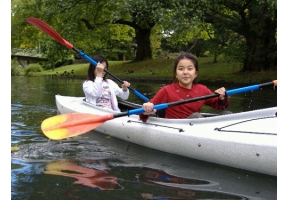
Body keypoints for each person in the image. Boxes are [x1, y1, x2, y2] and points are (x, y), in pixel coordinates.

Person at [140, 53, 230, 121]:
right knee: (196, 116)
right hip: (176, 129)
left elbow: (221, 106)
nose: (185, 72)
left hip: (197, 126)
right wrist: (146, 109)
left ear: (195, 74)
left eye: (190, 69)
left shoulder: (202, 89)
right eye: (181, 69)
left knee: (228, 114)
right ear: (176, 74)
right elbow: (145, 113)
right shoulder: (166, 90)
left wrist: (222, 98)